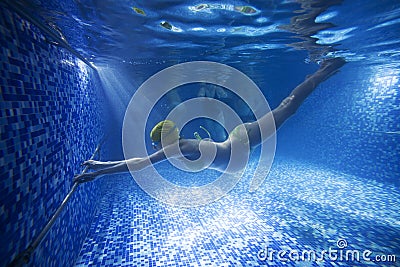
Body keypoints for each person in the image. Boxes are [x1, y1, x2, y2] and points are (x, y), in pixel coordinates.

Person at [74, 58, 346, 183]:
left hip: (240, 142)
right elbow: (140, 162)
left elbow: (138, 163)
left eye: (156, 143)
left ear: (163, 140)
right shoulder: (178, 145)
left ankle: (323, 71)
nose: (156, 148)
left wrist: (100, 170)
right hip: (237, 142)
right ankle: (321, 72)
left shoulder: (175, 148)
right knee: (286, 109)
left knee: (287, 108)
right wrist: (100, 167)